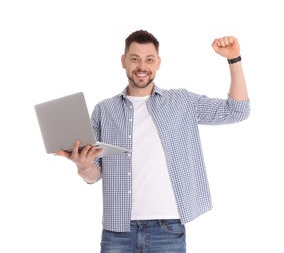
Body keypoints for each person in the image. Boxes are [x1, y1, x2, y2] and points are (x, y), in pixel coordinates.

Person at [57, 30, 250, 253]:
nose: (142, 66)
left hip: (167, 230)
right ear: (123, 61)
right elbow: (94, 175)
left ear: (158, 63)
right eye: (135, 59)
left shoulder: (181, 102)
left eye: (149, 59)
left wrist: (233, 59)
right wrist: (84, 166)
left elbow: (237, 111)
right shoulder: (104, 110)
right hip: (117, 232)